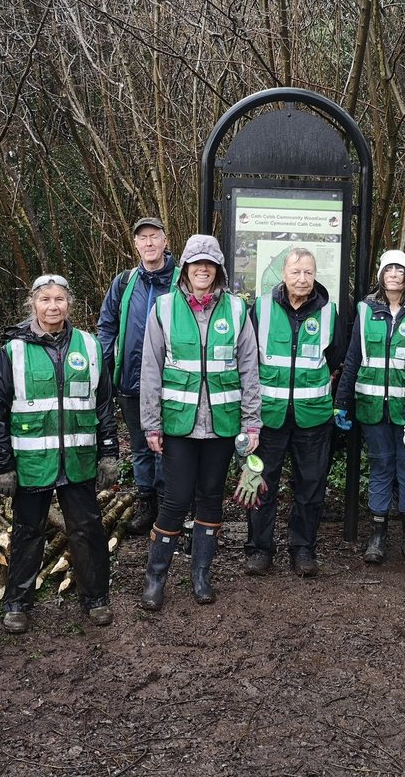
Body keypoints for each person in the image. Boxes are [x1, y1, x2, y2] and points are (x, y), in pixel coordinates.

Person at [0, 274, 120, 633]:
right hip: (31, 464)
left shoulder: (89, 348)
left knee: (88, 530)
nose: (53, 306)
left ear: (69, 305)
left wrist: (109, 453)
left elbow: (104, 405)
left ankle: (96, 599)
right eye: (45, 299)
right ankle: (17, 604)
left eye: (60, 299)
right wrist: (2, 465)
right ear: (33, 304)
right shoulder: (12, 352)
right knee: (27, 531)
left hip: (78, 462)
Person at [138, 235, 261, 610]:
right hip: (178, 426)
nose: (203, 269)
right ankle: (156, 578)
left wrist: (251, 423)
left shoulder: (238, 310)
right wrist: (151, 423)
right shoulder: (163, 308)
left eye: (209, 263)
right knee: (174, 501)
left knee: (210, 499)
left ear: (219, 269)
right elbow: (151, 369)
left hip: (222, 426)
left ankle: (201, 575)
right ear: (186, 269)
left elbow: (249, 369)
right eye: (196, 263)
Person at [248, 248, 346, 577]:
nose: (302, 279)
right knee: (261, 484)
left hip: (313, 418)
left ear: (315, 275)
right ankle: (260, 548)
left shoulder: (330, 312)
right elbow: (247, 360)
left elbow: (335, 358)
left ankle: (303, 548)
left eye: (308, 272)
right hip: (268, 417)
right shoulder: (260, 309)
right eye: (295, 272)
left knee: (311, 485)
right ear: (283, 275)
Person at [334, 250, 405, 567]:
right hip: (371, 408)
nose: (394, 275)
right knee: (381, 468)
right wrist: (341, 403)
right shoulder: (365, 309)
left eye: (401, 270)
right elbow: (353, 358)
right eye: (389, 269)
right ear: (380, 275)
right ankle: (377, 537)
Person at [96, 217, 177, 536]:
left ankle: (170, 506)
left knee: (167, 446)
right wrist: (102, 368)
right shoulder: (125, 281)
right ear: (136, 244)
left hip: (171, 384)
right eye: (142, 238)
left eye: (154, 237)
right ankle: (147, 503)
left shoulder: (180, 281)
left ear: (165, 241)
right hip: (130, 381)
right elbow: (107, 326)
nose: (148, 243)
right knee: (142, 447)